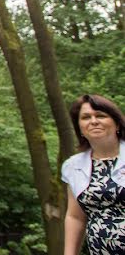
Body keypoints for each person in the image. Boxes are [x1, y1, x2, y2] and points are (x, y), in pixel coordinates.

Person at [61, 94, 125, 255]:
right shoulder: (73, 166)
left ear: (117, 123)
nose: (94, 121)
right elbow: (75, 217)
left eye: (101, 116)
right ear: (80, 128)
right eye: (86, 117)